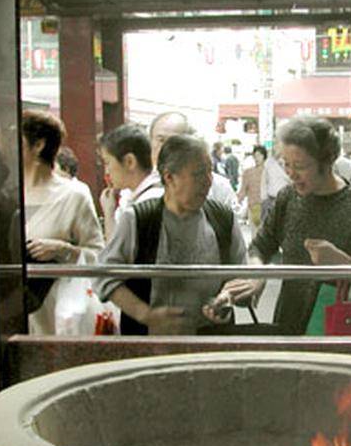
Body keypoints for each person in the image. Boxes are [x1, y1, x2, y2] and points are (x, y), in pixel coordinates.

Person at [222, 116, 351, 335]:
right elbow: (260, 246)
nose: (290, 173)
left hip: (341, 327)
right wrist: (258, 276)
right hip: (289, 321)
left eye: (299, 166)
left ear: (327, 162)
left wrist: (340, 262)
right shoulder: (287, 198)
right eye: (286, 164)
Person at [93, 135, 248, 335]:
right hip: (151, 342)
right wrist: (146, 315)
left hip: (211, 339)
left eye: (210, 172)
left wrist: (227, 297)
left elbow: (241, 273)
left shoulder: (222, 218)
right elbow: (104, 276)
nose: (208, 182)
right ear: (169, 177)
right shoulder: (140, 220)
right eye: (199, 174)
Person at [22, 110, 105, 335]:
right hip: (13, 315)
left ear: (38, 145)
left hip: (58, 316)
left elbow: (98, 254)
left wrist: (64, 251)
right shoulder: (5, 195)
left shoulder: (74, 195)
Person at [149, 112, 239, 212]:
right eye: (160, 140)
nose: (166, 146)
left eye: (175, 141)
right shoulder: (139, 185)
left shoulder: (219, 189)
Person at [97, 123, 163, 239]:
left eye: (108, 162)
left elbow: (116, 253)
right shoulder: (129, 196)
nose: (107, 172)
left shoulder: (151, 203)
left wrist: (109, 214)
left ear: (129, 162)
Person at [238, 145, 266, 231]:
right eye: (255, 156)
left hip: (267, 207)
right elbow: (243, 190)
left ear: (264, 156)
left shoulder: (269, 172)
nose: (257, 158)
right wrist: (239, 199)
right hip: (253, 206)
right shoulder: (248, 172)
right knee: (255, 235)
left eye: (259, 155)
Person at [259, 144, 290, 223]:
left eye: (277, 147)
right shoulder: (269, 163)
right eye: (274, 147)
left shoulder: (289, 162)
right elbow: (264, 182)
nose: (274, 149)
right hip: (270, 199)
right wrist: (263, 199)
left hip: (286, 200)